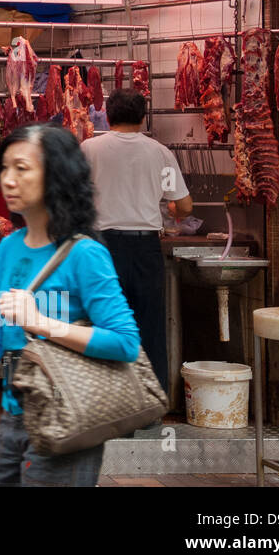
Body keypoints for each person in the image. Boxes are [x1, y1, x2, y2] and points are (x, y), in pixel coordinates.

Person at [0, 124, 141, 487]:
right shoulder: (10, 247)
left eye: (22, 168)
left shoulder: (85, 254)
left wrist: (40, 323)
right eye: (5, 168)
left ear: (56, 174)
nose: (8, 179)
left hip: (65, 417)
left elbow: (125, 343)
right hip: (14, 417)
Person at [80, 88, 192, 393]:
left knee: (102, 323)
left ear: (108, 114)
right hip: (145, 249)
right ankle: (151, 403)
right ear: (143, 118)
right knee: (149, 325)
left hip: (101, 248)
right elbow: (184, 206)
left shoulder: (89, 149)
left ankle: (106, 401)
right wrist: (166, 205)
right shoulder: (160, 153)